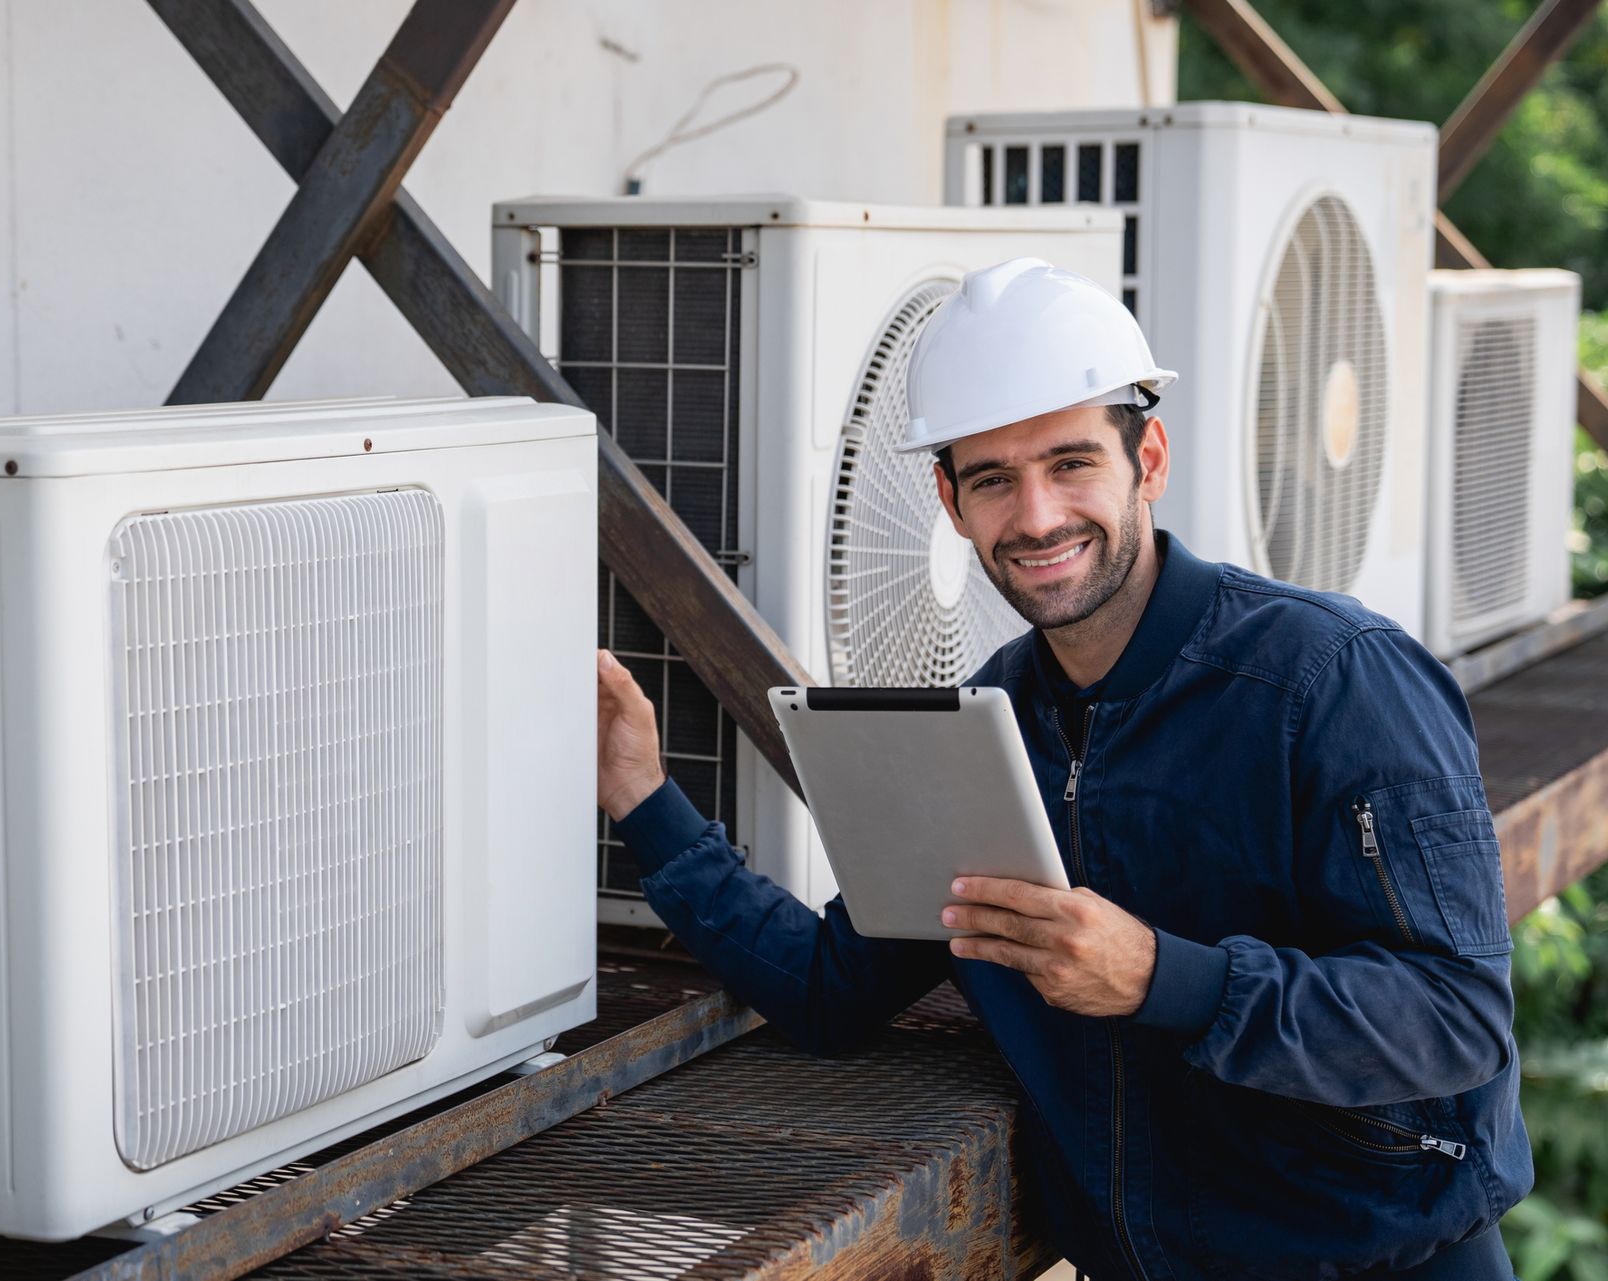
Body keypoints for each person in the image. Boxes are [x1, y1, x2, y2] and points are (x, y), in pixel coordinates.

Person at [594, 258, 1531, 1280]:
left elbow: (1455, 1018)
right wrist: (646, 799)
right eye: (994, 478)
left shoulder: (1334, 681)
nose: (1036, 517)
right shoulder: (981, 730)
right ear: (950, 504)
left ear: (1150, 458)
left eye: (1071, 463)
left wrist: (1165, 979)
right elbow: (831, 990)